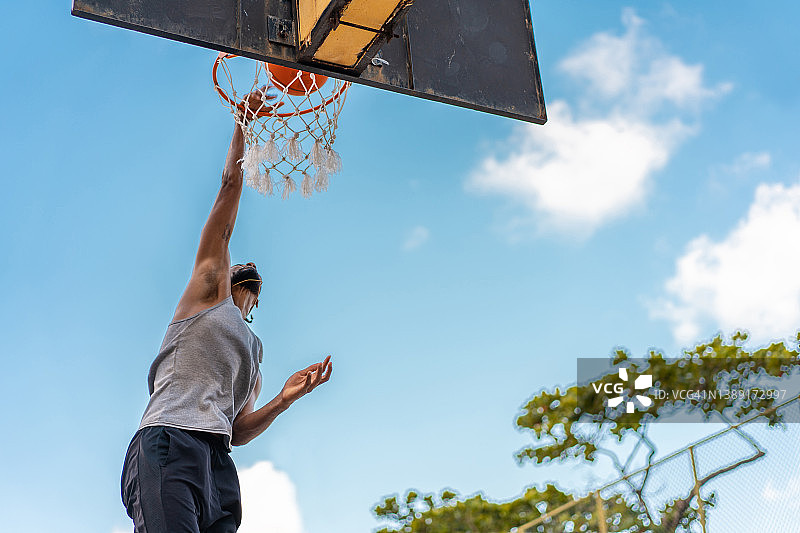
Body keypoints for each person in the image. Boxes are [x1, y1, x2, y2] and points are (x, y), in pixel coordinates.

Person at [121, 90, 332, 533]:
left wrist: (283, 399)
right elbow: (230, 187)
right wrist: (244, 122)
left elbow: (235, 430)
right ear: (230, 269)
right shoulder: (208, 290)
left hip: (217, 462)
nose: (245, 262)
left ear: (256, 296)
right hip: (169, 441)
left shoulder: (254, 352)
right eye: (239, 259)